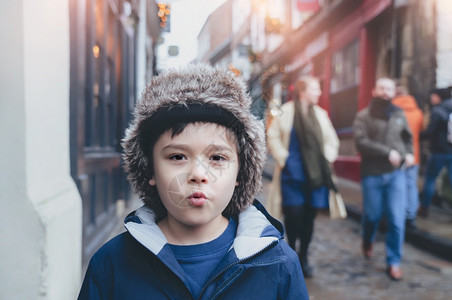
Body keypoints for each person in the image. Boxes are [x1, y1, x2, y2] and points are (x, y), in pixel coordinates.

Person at [78, 64, 309, 299]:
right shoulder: (111, 264)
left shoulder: (279, 264)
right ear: (150, 170)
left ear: (240, 172)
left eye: (217, 158)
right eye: (177, 157)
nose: (198, 173)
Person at [267, 75, 339, 278]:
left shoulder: (321, 114)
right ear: (302, 91)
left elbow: (331, 140)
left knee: (309, 217)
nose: (319, 93)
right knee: (293, 214)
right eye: (315, 89)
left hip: (315, 175)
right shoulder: (286, 111)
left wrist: (327, 158)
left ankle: (304, 256)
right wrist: (283, 157)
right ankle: (291, 249)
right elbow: (272, 135)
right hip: (292, 174)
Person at [353, 78, 414, 281]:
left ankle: (393, 262)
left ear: (393, 92)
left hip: (396, 175)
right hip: (372, 174)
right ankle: (367, 239)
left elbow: (407, 138)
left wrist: (408, 154)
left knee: (397, 220)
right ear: (374, 91)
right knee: (372, 216)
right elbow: (361, 142)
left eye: (389, 89)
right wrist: (387, 152)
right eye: (381, 88)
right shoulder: (363, 116)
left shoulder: (399, 114)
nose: (385, 92)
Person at [392, 84, 424, 229]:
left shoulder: (392, 110)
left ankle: (399, 214)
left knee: (397, 186)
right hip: (414, 154)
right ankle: (411, 215)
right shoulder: (418, 112)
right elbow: (420, 130)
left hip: (396, 154)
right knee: (411, 185)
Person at [418, 88, 452, 218]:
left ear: (439, 97)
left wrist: (416, 135)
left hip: (439, 151)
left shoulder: (437, 111)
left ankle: (424, 208)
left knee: (430, 179)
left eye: (433, 96)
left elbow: (430, 132)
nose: (432, 98)